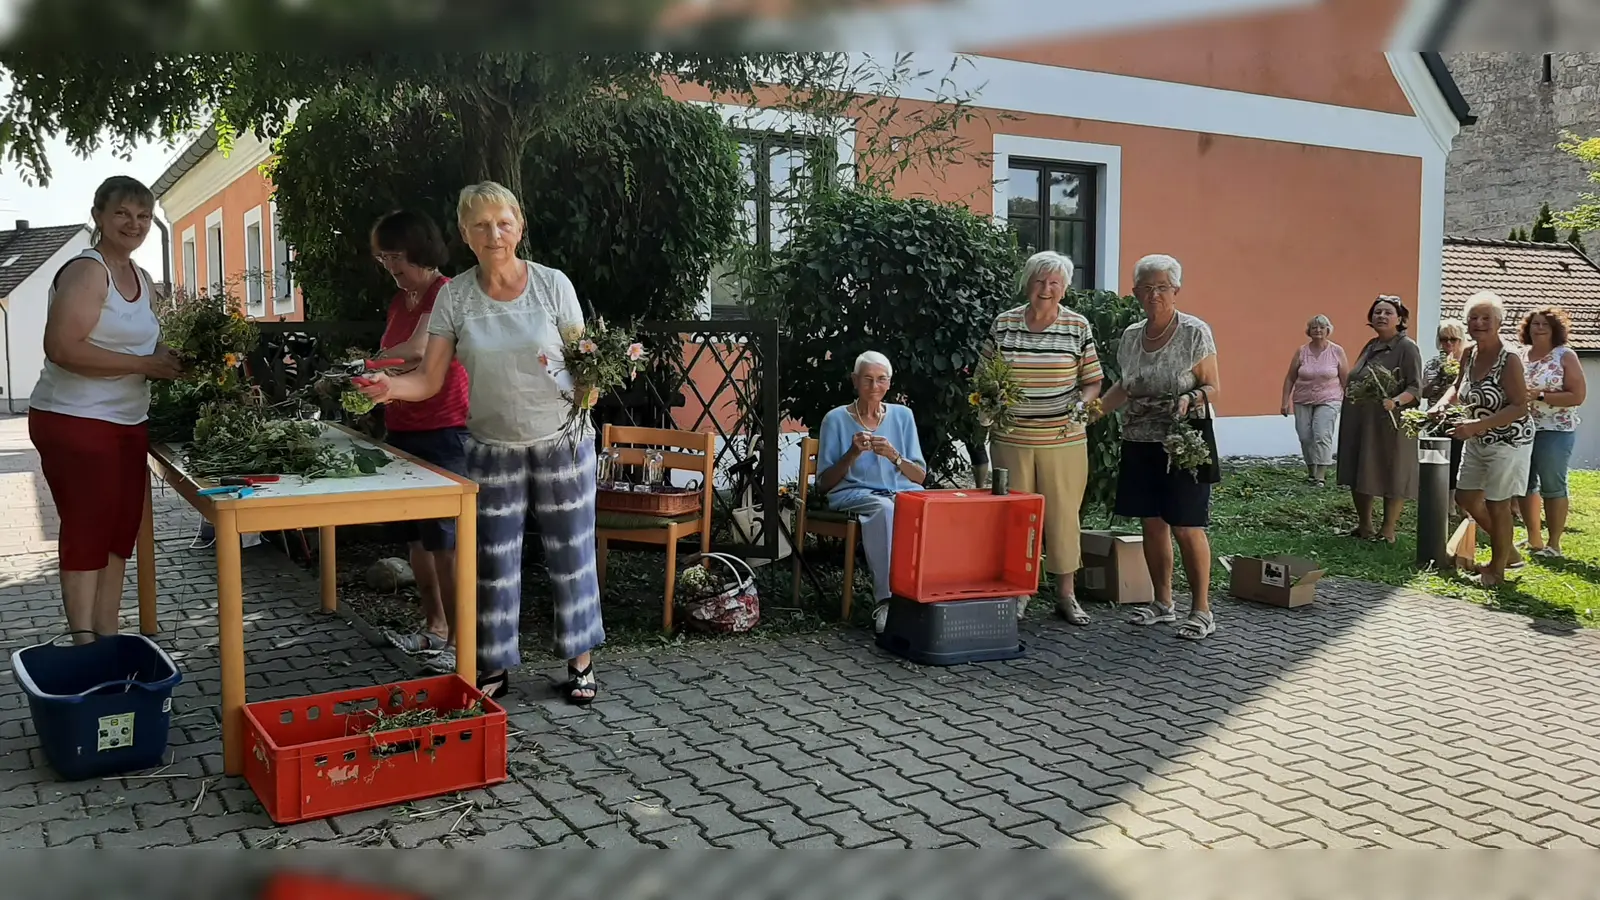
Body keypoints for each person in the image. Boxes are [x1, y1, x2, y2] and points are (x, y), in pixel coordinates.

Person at [357, 182, 602, 705]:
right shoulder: (456, 296)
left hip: (562, 440)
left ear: (520, 225)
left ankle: (580, 661)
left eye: (503, 222)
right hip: (490, 446)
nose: (494, 233)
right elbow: (428, 379)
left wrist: (591, 390)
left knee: (571, 553)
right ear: (465, 235)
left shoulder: (552, 285)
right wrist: (387, 388)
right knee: (491, 560)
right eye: (481, 225)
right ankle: (492, 663)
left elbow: (587, 366)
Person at [28, 176, 183, 643]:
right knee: (87, 527)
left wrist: (181, 360)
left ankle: (108, 637)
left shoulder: (143, 279)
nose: (133, 224)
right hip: (73, 419)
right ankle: (82, 645)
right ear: (98, 215)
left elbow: (149, 348)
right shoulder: (86, 271)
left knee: (119, 531)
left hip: (127, 420)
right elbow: (61, 347)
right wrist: (144, 364)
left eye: (142, 216)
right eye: (122, 213)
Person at [1091, 254, 1220, 641]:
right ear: (1134, 293)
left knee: (1186, 524)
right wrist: (1089, 414)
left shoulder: (1196, 332)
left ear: (1176, 290)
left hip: (1185, 441)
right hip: (1139, 438)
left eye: (1161, 287)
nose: (1153, 295)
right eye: (1145, 288)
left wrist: (1189, 399)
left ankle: (1202, 610)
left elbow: (1213, 387)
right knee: (1152, 522)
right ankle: (1163, 603)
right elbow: (1124, 387)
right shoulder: (1131, 336)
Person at [369, 210, 472, 671]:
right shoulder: (398, 298)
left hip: (446, 429)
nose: (390, 265)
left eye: (396, 255)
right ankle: (435, 629)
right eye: (383, 256)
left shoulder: (444, 291)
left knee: (446, 541)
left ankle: (460, 645)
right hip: (403, 428)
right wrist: (377, 369)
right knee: (417, 539)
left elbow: (416, 349)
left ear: (419, 250)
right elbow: (398, 356)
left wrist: (369, 365)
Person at [987, 250, 1103, 625]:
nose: (1046, 289)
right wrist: (992, 396)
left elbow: (1093, 381)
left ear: (1065, 289)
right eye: (1039, 280)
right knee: (1017, 516)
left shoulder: (1077, 326)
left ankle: (1066, 595)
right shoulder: (1004, 324)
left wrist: (1082, 408)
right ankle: (1020, 592)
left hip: (1063, 438)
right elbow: (986, 374)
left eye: (1054, 282)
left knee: (1062, 516)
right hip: (1012, 437)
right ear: (1028, 284)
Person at [814, 351, 927, 634]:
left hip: (901, 492)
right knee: (884, 509)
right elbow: (824, 484)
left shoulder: (903, 416)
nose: (874, 387)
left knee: (927, 508)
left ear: (889, 383)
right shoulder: (836, 419)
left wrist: (895, 456)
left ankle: (926, 596)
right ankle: (886, 601)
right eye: (867, 379)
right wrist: (852, 453)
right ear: (855, 381)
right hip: (855, 494)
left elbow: (920, 477)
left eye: (881, 380)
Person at [1431, 292, 1533, 586]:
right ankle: (1509, 551)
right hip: (1476, 436)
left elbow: (1519, 407)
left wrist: (1476, 425)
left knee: (1498, 503)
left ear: (1499, 322)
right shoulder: (1469, 353)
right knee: (1466, 497)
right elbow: (1457, 385)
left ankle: (1497, 570)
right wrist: (1442, 404)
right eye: (1473, 318)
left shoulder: (1509, 358)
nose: (1479, 323)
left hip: (1509, 439)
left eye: (1486, 318)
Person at [1335, 295, 1423, 544]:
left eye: (1387, 312)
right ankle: (1364, 525)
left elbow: (1416, 387)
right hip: (1361, 420)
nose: (1381, 316)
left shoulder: (1407, 348)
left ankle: (1388, 530)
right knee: (1360, 467)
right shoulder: (1370, 346)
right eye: (1377, 313)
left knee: (1391, 469)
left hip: (1389, 422)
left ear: (1400, 319)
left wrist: (1395, 401)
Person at [1517, 306, 1586, 559]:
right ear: (1528, 328)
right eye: (1535, 323)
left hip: (1556, 428)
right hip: (1522, 428)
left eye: (1545, 324)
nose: (1540, 328)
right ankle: (1534, 538)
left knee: (1552, 485)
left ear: (1556, 329)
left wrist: (1541, 395)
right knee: (1524, 484)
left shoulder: (1565, 355)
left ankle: (1554, 544)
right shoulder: (1521, 354)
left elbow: (1577, 395)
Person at [1280, 314, 1348, 487]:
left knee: (1322, 433)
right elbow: (1290, 378)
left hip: (1329, 398)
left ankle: (1320, 476)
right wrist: (1284, 401)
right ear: (1308, 331)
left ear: (1328, 330)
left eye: (1321, 327)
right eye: (1314, 327)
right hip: (1302, 399)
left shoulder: (1337, 351)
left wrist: (1350, 401)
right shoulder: (1301, 351)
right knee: (1305, 436)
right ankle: (1311, 470)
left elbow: (1345, 379)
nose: (1318, 330)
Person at [1420, 317, 1469, 492]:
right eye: (1443, 339)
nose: (1448, 343)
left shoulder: (1468, 361)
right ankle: (1437, 497)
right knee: (1438, 459)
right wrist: (1439, 378)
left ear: (1461, 340)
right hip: (1437, 419)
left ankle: (1453, 502)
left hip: (1460, 418)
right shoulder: (1433, 363)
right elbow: (1424, 393)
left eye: (1453, 339)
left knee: (1457, 460)